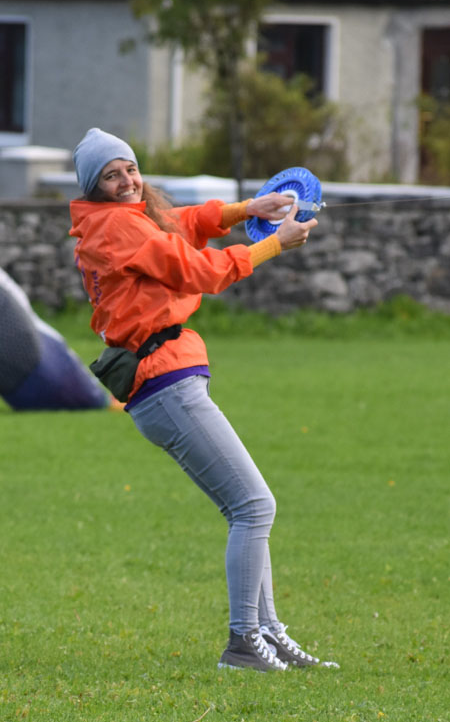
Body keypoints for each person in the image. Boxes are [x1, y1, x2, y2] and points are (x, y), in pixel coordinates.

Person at [70, 127, 339, 672]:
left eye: (129, 168)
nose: (126, 181)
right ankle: (244, 644)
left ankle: (266, 633)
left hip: (170, 379)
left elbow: (184, 222)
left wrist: (247, 208)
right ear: (94, 188)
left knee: (248, 508)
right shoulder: (116, 227)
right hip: (163, 385)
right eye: (110, 176)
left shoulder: (129, 217)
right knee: (254, 507)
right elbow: (197, 269)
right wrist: (271, 243)